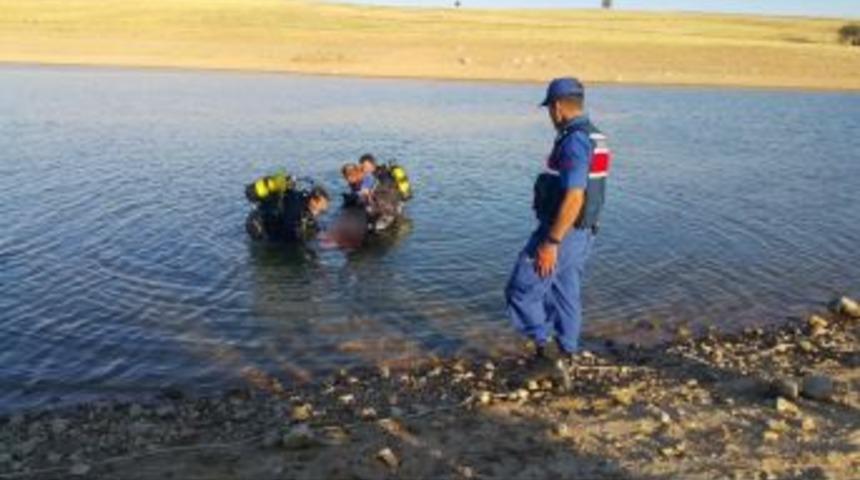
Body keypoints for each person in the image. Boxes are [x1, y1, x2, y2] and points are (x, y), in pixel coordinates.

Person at [504, 77, 611, 383]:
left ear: (559, 107)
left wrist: (551, 242)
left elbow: (575, 195)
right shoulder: (596, 135)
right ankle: (566, 353)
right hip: (583, 233)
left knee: (521, 290)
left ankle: (547, 355)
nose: (550, 116)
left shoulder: (575, 141)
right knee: (565, 292)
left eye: (550, 109)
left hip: (562, 233)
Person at [245, 174, 330, 243]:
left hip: (259, 218)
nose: (320, 213)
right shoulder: (297, 206)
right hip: (258, 227)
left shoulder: (301, 199)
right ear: (314, 200)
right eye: (321, 210)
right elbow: (290, 230)